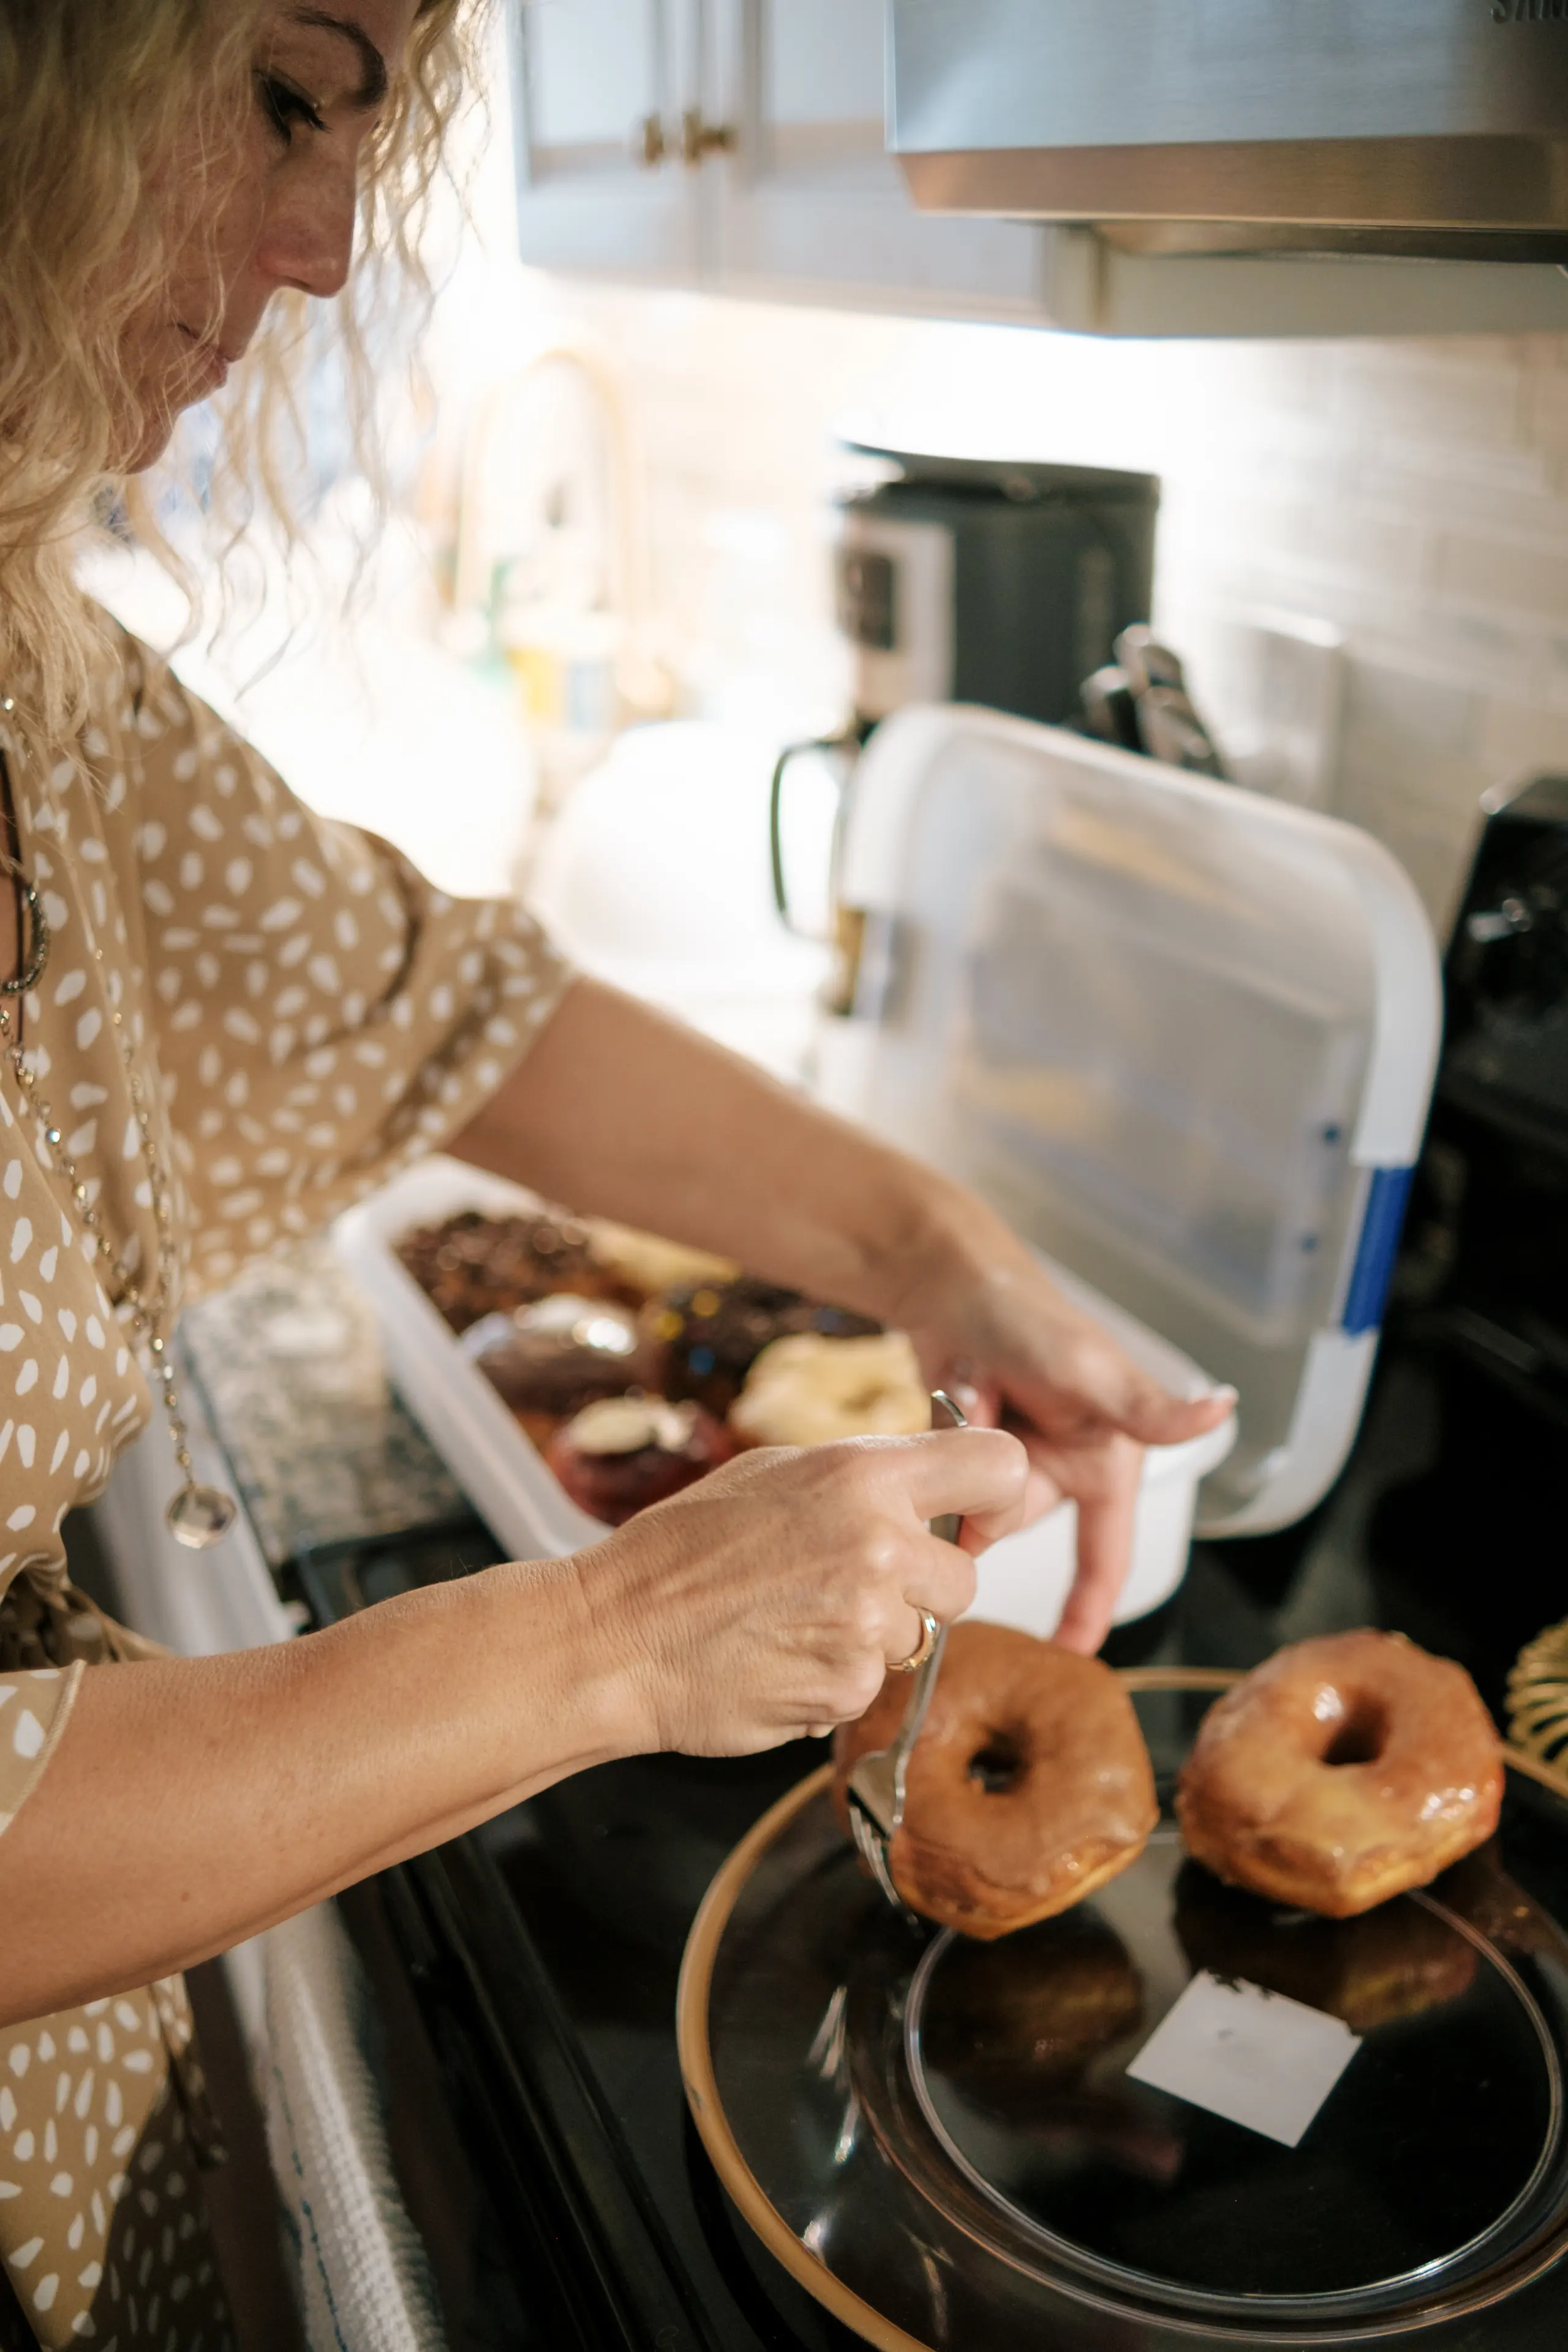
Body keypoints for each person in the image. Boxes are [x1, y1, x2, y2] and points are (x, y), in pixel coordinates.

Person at [0, 3, 1232, 2342]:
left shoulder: (17, 664)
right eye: (286, 89)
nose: (325, 246)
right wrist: (622, 1630)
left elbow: (434, 998)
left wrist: (947, 1255)